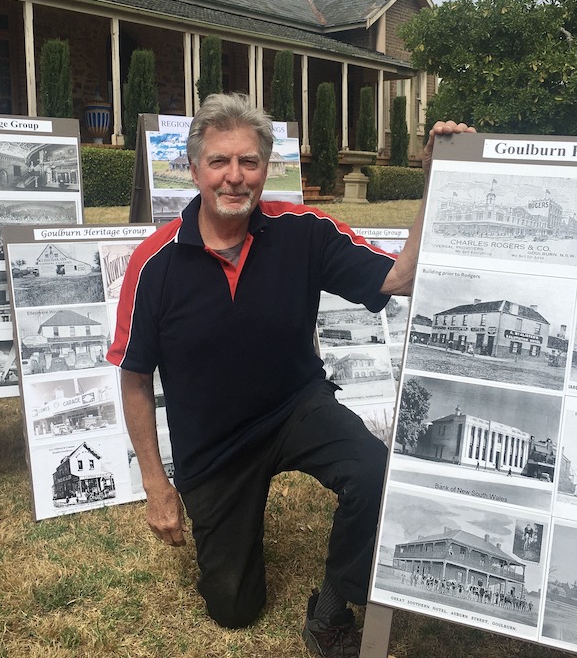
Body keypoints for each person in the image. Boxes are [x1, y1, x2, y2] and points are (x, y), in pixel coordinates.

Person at [107, 92, 472, 657]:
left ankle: (331, 607)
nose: (235, 178)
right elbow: (134, 379)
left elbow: (400, 278)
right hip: (215, 444)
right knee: (233, 610)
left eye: (249, 162)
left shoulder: (303, 230)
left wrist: (438, 177)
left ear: (266, 167)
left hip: (294, 405)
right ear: (194, 168)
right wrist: (157, 488)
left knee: (373, 470)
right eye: (219, 162)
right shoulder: (153, 264)